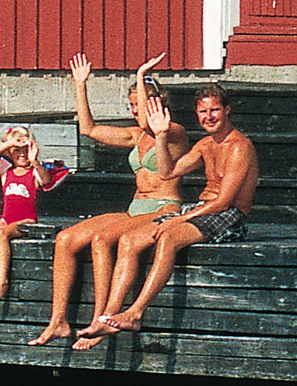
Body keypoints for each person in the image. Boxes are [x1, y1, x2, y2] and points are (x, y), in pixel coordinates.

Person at [75, 81, 258, 349]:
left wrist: (182, 218)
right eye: (203, 112)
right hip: (201, 210)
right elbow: (167, 172)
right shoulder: (205, 145)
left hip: (230, 216)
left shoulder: (239, 146)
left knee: (168, 237)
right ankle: (108, 317)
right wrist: (160, 136)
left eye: (214, 111)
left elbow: (224, 202)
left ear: (227, 110)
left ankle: (136, 313)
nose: (208, 117)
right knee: (129, 240)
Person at [26, 52, 190, 345]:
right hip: (134, 210)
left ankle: (100, 321)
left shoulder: (174, 133)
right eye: (130, 106)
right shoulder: (135, 138)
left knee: (102, 239)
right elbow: (88, 129)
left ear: (155, 106)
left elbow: (150, 125)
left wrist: (140, 76)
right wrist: (80, 85)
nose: (133, 112)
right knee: (65, 239)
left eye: (137, 105)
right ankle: (59, 321)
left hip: (164, 208)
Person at [0, 126, 69, 307]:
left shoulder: (34, 172)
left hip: (27, 220)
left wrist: (34, 160)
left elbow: (45, 181)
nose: (22, 154)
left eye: (25, 150)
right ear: (9, 153)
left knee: (1, 235)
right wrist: (9, 143)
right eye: (16, 151)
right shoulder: (6, 171)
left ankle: (2, 281)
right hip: (6, 219)